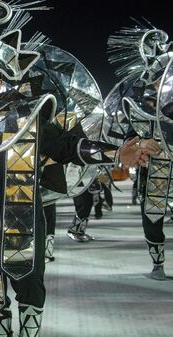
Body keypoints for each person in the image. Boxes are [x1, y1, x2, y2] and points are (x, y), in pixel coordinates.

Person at [0, 5, 157, 336]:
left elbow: (67, 146)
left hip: (24, 221)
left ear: (2, 79)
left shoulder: (25, 118)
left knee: (30, 290)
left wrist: (116, 152)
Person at [108, 23, 173, 280]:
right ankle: (158, 263)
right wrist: (140, 144)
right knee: (152, 214)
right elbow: (127, 139)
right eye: (157, 77)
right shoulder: (135, 105)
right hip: (154, 169)